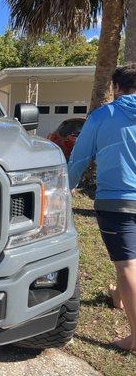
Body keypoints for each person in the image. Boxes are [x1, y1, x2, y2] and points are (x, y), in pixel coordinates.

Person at [68, 63, 136, 352]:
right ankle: (120, 299)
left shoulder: (104, 115)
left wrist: (66, 188)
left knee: (127, 265)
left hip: (117, 201)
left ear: (116, 88)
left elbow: (80, 158)